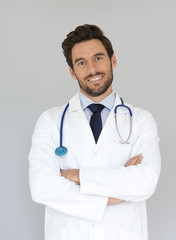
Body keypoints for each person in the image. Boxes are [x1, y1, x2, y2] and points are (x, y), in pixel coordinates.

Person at [28, 24, 161, 240]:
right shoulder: (50, 121)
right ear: (72, 71)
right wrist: (116, 194)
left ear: (113, 61)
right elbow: (42, 187)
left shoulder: (141, 120)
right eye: (81, 62)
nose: (92, 70)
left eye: (98, 58)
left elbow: (145, 182)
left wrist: (75, 176)